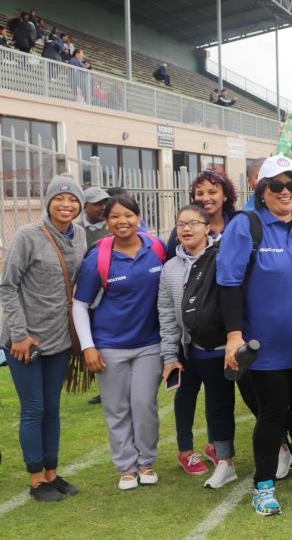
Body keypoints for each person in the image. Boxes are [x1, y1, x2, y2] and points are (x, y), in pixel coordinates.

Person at [218, 155, 292, 516]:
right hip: (263, 345)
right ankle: (264, 484)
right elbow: (229, 284)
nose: (286, 192)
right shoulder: (245, 225)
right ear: (261, 190)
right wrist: (234, 337)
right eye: (276, 185)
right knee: (273, 413)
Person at [0, 176, 87, 502]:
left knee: (52, 408)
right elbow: (8, 286)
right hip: (26, 341)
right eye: (60, 199)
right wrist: (20, 335)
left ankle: (52, 472)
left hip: (59, 337)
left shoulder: (78, 235)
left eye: (72, 200)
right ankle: (37, 479)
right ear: (48, 202)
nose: (67, 205)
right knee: (34, 408)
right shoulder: (28, 235)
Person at [72, 194, 166, 489]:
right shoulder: (98, 257)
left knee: (143, 404)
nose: (122, 221)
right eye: (114, 217)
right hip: (109, 346)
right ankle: (126, 467)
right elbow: (79, 305)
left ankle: (146, 462)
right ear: (106, 221)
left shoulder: (157, 249)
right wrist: (88, 346)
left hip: (150, 344)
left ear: (138, 218)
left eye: (128, 215)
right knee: (116, 408)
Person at [158, 204, 238, 488]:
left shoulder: (223, 258)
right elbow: (166, 314)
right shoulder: (169, 268)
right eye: (181, 224)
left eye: (193, 223)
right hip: (186, 348)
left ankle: (219, 448)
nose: (186, 229)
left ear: (208, 227)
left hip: (217, 347)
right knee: (184, 399)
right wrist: (170, 355)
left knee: (219, 401)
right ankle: (185, 450)